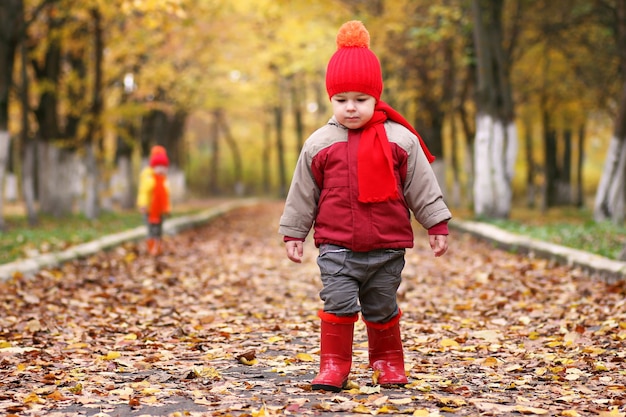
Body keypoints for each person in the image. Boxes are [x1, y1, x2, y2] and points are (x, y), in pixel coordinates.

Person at [278, 20, 452, 392]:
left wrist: (436, 224)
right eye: (341, 101)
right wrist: (294, 232)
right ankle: (334, 365)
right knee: (338, 303)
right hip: (337, 246)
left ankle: (387, 362)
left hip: (386, 248)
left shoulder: (399, 139)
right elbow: (303, 191)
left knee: (381, 307)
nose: (351, 108)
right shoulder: (320, 143)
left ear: (377, 97)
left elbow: (421, 186)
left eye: (361, 100)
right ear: (331, 100)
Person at [137, 145, 171, 256]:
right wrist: (143, 204)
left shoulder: (164, 180)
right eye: (159, 166)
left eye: (164, 166)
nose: (161, 169)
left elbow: (166, 197)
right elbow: (143, 192)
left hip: (160, 211)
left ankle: (158, 247)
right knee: (152, 229)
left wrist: (167, 208)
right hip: (150, 210)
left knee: (159, 230)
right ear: (153, 166)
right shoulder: (149, 178)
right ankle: (152, 248)